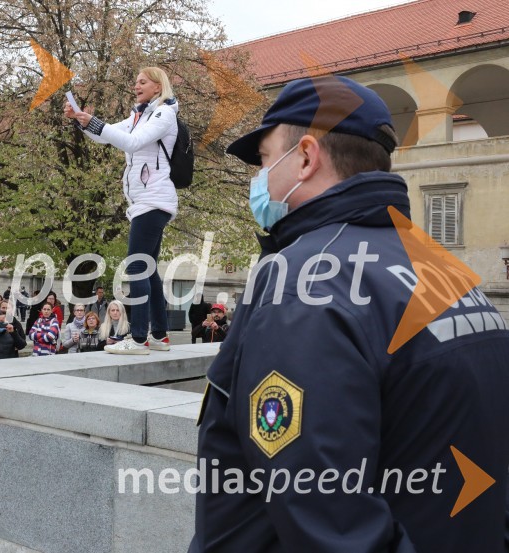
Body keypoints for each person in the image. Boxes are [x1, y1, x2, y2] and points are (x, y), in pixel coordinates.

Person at [190, 76, 509, 552]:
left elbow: (330, 521)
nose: (258, 180)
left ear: (304, 157)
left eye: (262, 160)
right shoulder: (445, 268)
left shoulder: (304, 283)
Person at [65, 67, 177, 355]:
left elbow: (132, 142)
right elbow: (108, 136)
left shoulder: (164, 113)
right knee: (149, 270)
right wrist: (83, 122)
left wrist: (95, 122)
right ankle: (159, 336)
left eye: (142, 82)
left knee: (136, 266)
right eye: (135, 81)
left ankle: (138, 339)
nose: (135, 85)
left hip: (153, 200)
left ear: (157, 86)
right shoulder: (139, 115)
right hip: (145, 202)